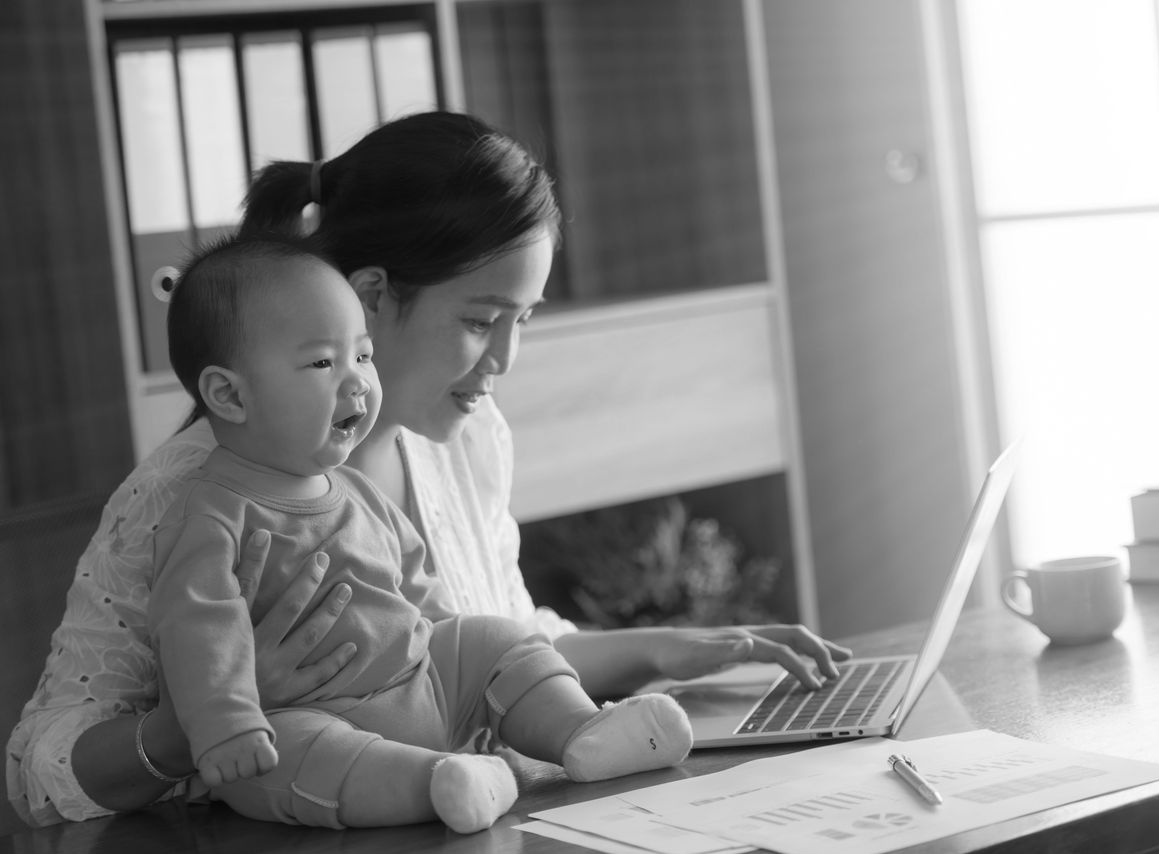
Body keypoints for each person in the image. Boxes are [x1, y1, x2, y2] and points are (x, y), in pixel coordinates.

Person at [7, 110, 851, 828]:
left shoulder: (468, 439)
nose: (506, 359)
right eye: (483, 321)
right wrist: (212, 712)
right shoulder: (181, 498)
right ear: (371, 295)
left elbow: (485, 632)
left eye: (524, 319)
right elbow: (36, 781)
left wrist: (669, 651)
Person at [145, 233, 689, 831]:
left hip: (421, 685)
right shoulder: (211, 515)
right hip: (319, 718)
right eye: (324, 363)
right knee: (283, 756)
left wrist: (452, 647)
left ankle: (584, 735)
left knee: (498, 639)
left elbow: (417, 584)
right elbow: (198, 629)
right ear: (229, 394)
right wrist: (229, 725)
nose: (356, 382)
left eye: (363, 356)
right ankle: (439, 786)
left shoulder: (353, 489)